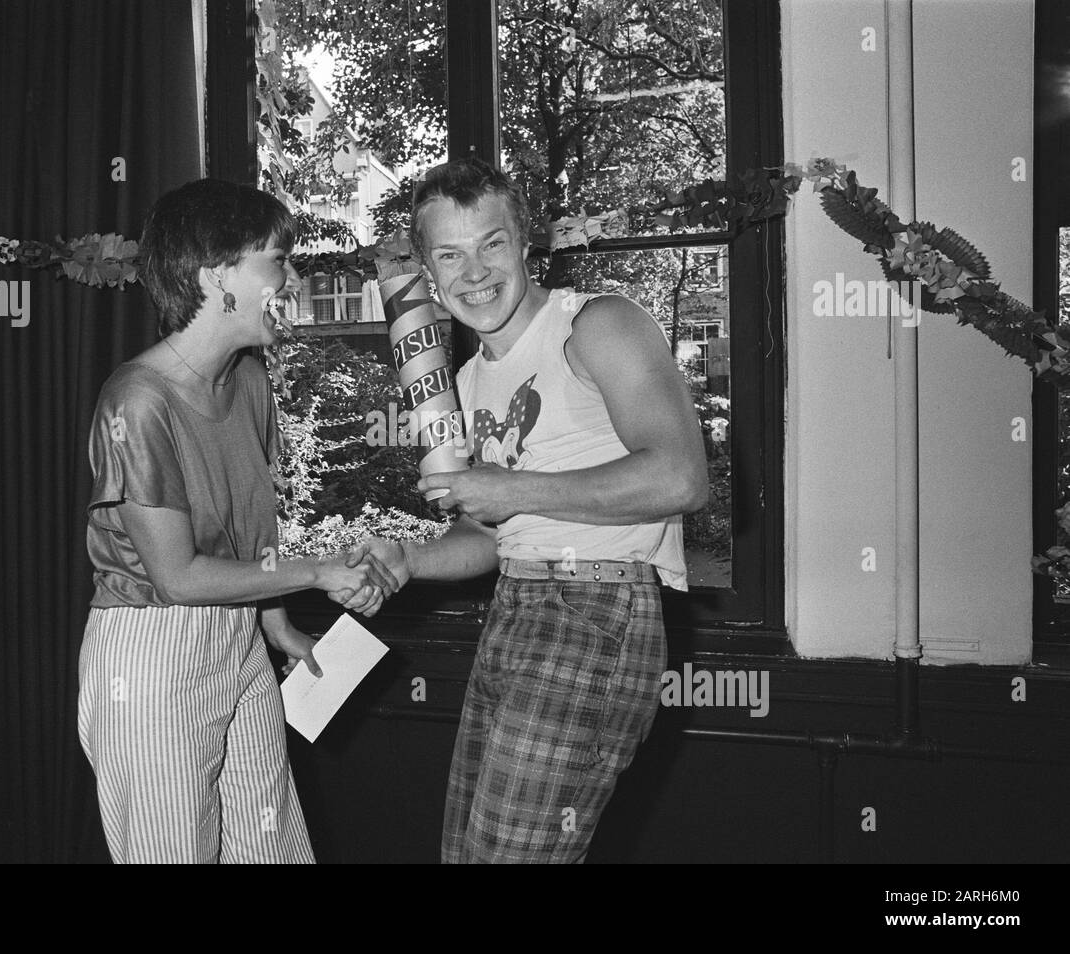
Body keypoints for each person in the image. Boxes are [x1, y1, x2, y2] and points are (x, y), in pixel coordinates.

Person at [354, 157, 709, 863]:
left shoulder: (598, 324)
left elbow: (680, 479)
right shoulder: (463, 381)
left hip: (598, 609)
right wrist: (408, 560)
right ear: (427, 270)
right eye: (450, 255)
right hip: (515, 609)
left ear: (525, 243)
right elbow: (489, 534)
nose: (475, 272)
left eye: (491, 243)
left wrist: (507, 488)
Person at [77, 178, 397, 863]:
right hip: (153, 651)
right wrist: (318, 574)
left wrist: (278, 624)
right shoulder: (138, 401)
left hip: (241, 635)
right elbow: (178, 577)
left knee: (268, 844)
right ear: (217, 275)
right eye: (277, 261)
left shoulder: (248, 378)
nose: (293, 278)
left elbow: (256, 529)